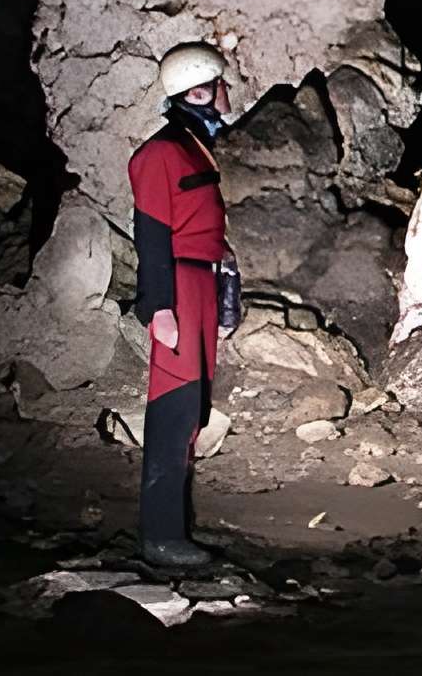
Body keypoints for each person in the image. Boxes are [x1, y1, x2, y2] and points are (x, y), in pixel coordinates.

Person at [130, 40, 238, 572]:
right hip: (177, 286)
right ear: (198, 90)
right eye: (220, 83)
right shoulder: (160, 154)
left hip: (199, 282)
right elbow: (150, 235)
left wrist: (224, 277)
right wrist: (159, 307)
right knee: (172, 409)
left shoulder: (194, 147)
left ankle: (174, 528)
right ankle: (161, 537)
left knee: (192, 408)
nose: (227, 91)